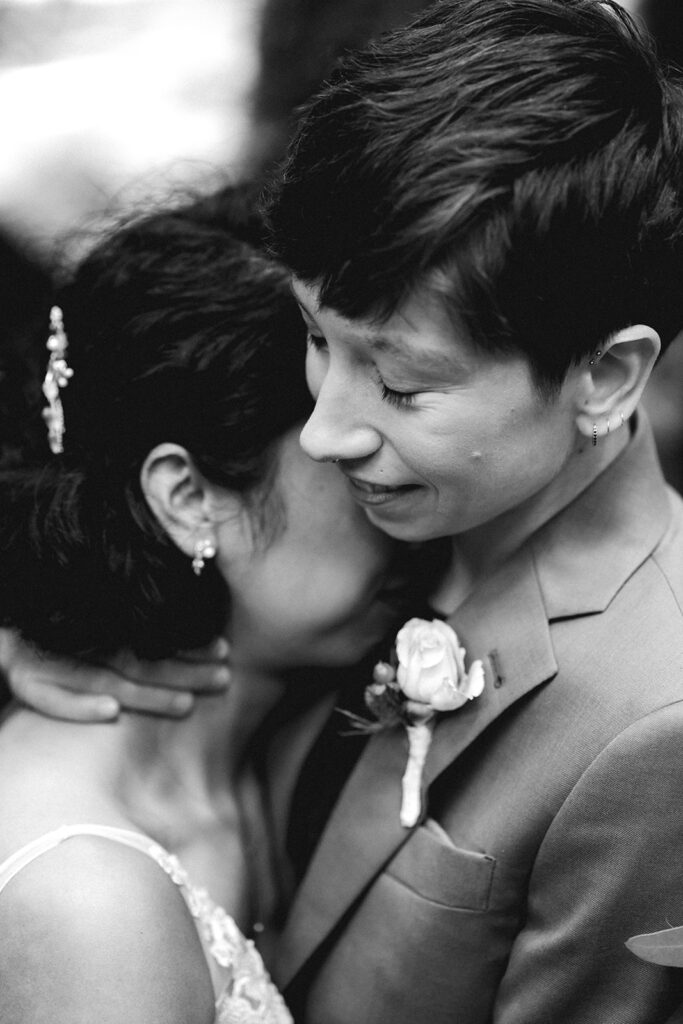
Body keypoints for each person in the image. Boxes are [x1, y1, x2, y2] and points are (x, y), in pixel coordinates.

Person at [6, 1, 683, 1021]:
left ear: (605, 376)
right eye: (319, 340)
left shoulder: (649, 727)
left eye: (402, 387)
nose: (324, 432)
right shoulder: (367, 531)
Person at [0, 186, 401, 1024]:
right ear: (187, 495)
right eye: (344, 452)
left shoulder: (290, 740)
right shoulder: (86, 901)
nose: (395, 487)